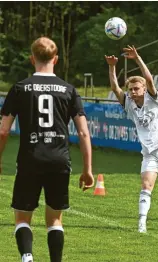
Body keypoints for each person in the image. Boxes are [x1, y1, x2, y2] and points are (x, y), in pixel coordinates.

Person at [0, 37, 94, 262]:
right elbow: (83, 132)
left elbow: (3, 131)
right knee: (54, 220)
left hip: (30, 160)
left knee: (22, 218)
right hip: (59, 160)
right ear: (56, 59)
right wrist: (88, 169)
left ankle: (27, 256)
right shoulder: (69, 90)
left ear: (32, 59)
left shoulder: (20, 88)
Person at [105, 45, 158, 233]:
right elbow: (115, 88)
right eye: (131, 89)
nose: (133, 92)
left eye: (136, 89)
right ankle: (141, 223)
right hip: (149, 152)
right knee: (146, 185)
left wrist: (137, 58)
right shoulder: (129, 105)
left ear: (143, 89)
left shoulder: (153, 99)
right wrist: (112, 67)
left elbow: (149, 79)